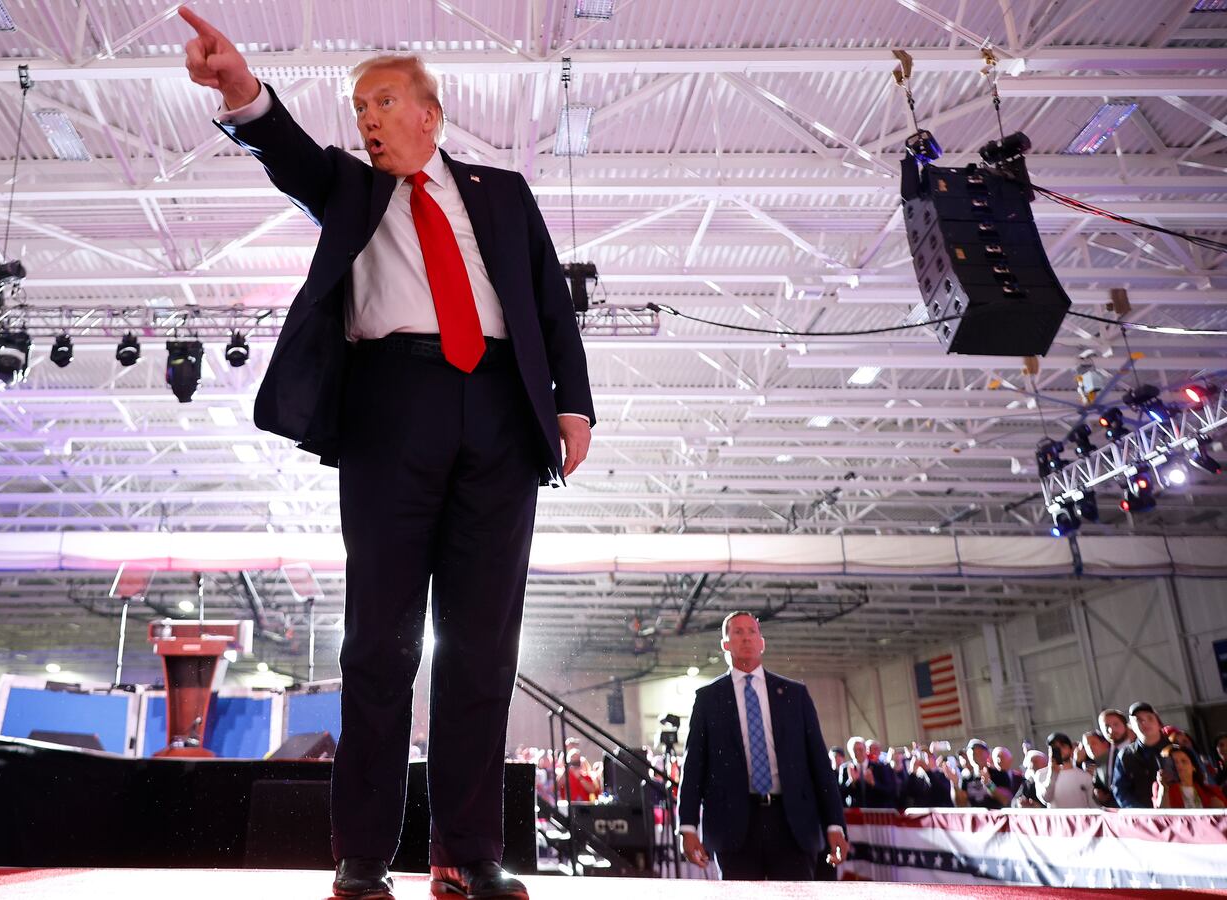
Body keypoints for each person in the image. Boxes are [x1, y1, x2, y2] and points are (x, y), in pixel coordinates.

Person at [180, 10, 595, 900]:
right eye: (358, 106)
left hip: (500, 416)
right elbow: (285, 151)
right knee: (379, 641)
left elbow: (550, 307)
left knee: (482, 646)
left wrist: (574, 405)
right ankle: (363, 852)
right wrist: (240, 90)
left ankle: (466, 851)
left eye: (382, 101)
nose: (366, 118)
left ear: (429, 116)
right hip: (388, 410)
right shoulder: (349, 188)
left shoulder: (504, 191)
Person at [677, 612, 850, 880]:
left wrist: (835, 824)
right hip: (733, 825)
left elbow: (819, 763)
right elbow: (694, 767)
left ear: (762, 642)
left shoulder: (795, 694)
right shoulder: (708, 699)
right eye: (737, 632)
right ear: (725, 644)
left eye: (752, 631)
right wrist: (687, 826)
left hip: (792, 822)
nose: (746, 637)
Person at [1113, 702, 1169, 808]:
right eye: (1138, 719)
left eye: (1149, 718)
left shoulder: (1175, 749)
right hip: (1142, 819)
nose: (1144, 723)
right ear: (1131, 726)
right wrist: (1141, 814)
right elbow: (1121, 791)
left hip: (1178, 816)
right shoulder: (1125, 756)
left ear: (1159, 723)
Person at [1153, 744, 1227, 809]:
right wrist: (1163, 788)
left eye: (1183, 761)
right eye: (1173, 762)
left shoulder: (1211, 791)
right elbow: (1162, 817)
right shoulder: (1161, 788)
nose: (1178, 765)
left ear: (1193, 767)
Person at [1037, 732, 1097, 809]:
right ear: (1049, 750)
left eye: (1063, 746)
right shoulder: (1041, 774)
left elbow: (1093, 806)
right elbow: (1046, 799)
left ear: (1071, 749)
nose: (1059, 750)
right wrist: (1052, 773)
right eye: (1054, 747)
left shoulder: (1085, 776)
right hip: (1057, 820)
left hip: (1080, 820)